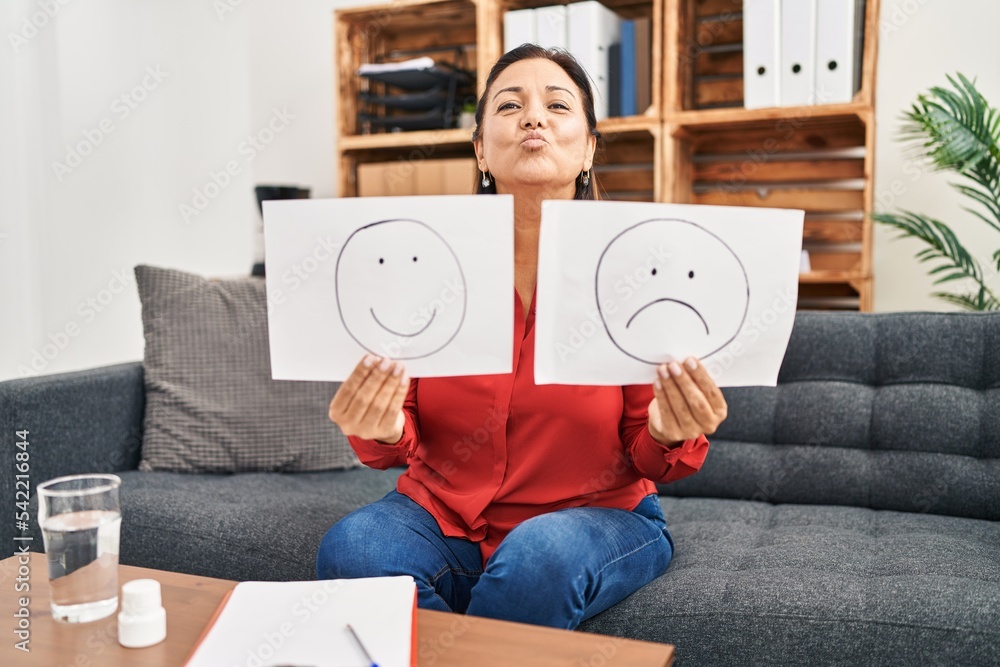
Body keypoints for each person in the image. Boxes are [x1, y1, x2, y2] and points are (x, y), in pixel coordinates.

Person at [316, 44, 727, 630]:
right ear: (481, 147)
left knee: (540, 557)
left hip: (595, 516)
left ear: (588, 148)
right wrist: (383, 425)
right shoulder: (423, 271)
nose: (533, 116)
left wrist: (668, 430)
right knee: (353, 549)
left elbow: (651, 455)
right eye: (510, 105)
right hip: (443, 516)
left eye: (557, 105)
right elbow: (395, 442)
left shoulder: (638, 277)